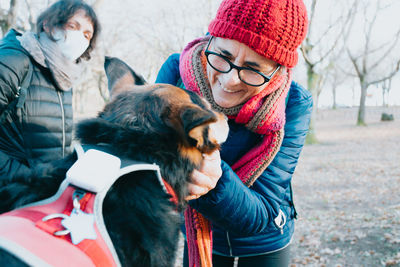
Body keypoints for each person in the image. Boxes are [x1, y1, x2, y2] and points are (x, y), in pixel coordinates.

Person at [156, 0, 312, 266]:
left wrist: (213, 179)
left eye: (252, 69)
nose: (229, 80)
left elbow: (264, 210)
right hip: (198, 239)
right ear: (211, 40)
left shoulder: (294, 103)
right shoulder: (176, 72)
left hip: (264, 244)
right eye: (223, 56)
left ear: (276, 71)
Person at [0, 0, 100, 181]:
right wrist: (20, 176)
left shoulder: (66, 77)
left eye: (87, 35)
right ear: (48, 24)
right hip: (12, 190)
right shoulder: (14, 60)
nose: (80, 37)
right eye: (72, 26)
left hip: (45, 189)